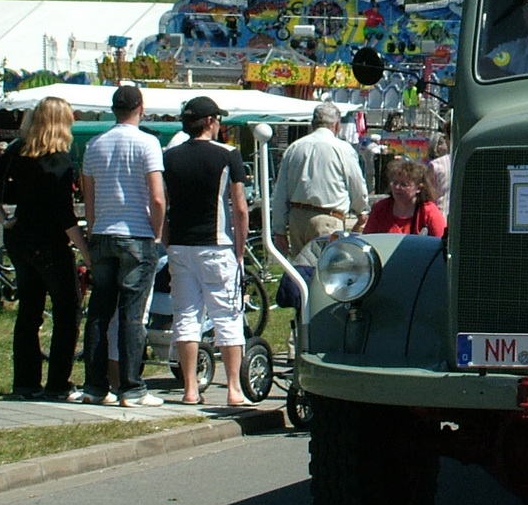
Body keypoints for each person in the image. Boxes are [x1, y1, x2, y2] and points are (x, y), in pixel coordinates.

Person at [0, 96, 90, 402]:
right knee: (67, 311)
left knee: (29, 312)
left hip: (20, 237)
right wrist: (87, 253)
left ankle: (25, 381)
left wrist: (4, 219)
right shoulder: (60, 161)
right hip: (50, 242)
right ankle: (58, 382)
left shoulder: (17, 151)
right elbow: (65, 216)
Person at [80, 84, 166, 407]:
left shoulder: (94, 145)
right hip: (136, 232)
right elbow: (157, 197)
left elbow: (88, 198)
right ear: (140, 108)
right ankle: (130, 387)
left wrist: (93, 231)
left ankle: (94, 385)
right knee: (132, 314)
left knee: (99, 313)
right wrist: (156, 232)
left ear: (113, 109)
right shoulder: (147, 143)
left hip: (103, 230)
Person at [163, 96, 250, 407]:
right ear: (211, 121)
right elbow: (239, 207)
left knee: (186, 316)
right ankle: (233, 388)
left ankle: (190, 388)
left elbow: (161, 203)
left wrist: (167, 239)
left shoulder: (169, 156)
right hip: (216, 244)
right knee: (227, 315)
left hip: (180, 245)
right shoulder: (228, 154)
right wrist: (240, 248)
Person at [272, 102, 370, 253]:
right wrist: (361, 209)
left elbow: (280, 192)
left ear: (312, 124)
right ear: (337, 125)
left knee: (300, 266)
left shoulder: (294, 148)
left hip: (296, 218)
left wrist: (279, 230)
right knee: (327, 266)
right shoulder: (343, 149)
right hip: (328, 219)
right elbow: (356, 184)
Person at [362, 157, 447, 237]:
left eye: (404, 184)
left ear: (418, 188)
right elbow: (367, 239)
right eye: (395, 183)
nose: (397, 187)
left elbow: (441, 242)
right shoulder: (380, 209)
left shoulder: (429, 212)